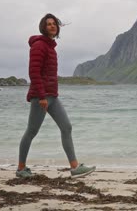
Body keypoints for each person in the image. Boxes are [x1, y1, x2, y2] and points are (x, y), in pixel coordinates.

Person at [16, 13, 96, 178]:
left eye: (54, 24)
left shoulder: (50, 47)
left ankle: (74, 167)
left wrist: (49, 95)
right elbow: (34, 73)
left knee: (66, 127)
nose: (52, 26)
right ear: (43, 27)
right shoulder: (39, 46)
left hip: (53, 96)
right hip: (42, 97)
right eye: (48, 24)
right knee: (31, 131)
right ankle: (21, 169)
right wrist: (42, 96)